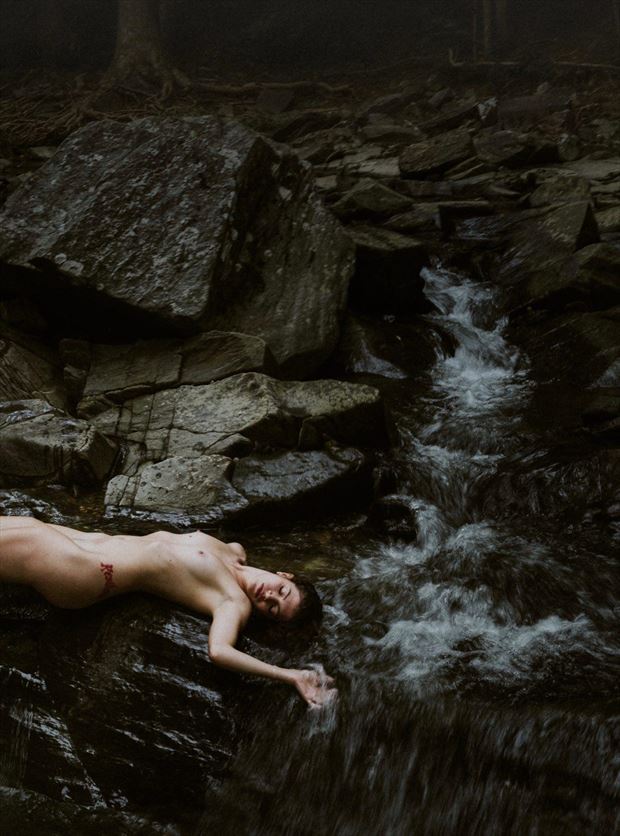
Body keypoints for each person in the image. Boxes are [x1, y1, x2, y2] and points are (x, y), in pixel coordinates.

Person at [0, 515, 335, 707]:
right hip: (86, 542)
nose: (269, 596)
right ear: (285, 574)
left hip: (88, 572)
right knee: (28, 523)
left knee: (32, 533)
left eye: (273, 609)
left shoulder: (234, 602)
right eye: (281, 590)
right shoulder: (235, 551)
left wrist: (291, 675)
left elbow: (219, 651)